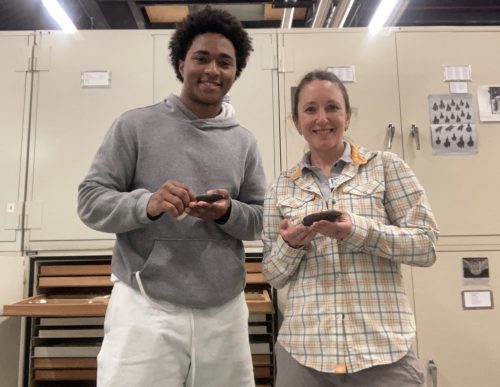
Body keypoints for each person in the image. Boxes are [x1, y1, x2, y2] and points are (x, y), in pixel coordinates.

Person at [78, 7, 265, 387]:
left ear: (235, 73)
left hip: (224, 312)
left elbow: (263, 218)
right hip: (145, 308)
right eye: (201, 58)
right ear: (181, 63)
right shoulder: (135, 126)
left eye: (224, 62)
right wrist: (145, 204)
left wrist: (228, 212)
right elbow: (90, 200)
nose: (212, 70)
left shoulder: (244, 141)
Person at [262, 70, 439, 387]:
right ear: (295, 121)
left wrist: (357, 231)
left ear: (348, 115)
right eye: (310, 109)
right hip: (305, 355)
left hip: (382, 352)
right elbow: (273, 274)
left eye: (332, 107)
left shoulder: (385, 167)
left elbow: (426, 246)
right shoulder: (280, 187)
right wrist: (290, 245)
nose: (322, 119)